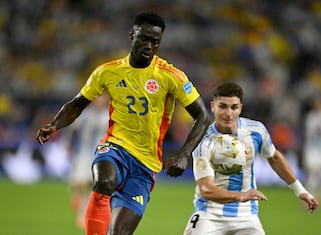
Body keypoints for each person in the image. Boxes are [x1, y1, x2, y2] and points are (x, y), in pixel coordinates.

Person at [36, 11, 210, 235]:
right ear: (132, 35)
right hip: (115, 147)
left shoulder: (171, 76)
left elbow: (202, 116)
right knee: (104, 182)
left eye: (155, 42)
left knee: (119, 233)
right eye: (143, 39)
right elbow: (77, 104)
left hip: (145, 166)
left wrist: (185, 154)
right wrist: (55, 124)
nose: (148, 46)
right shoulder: (107, 72)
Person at [183, 82, 319, 235]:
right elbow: (206, 189)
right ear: (213, 106)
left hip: (246, 216)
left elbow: (273, 157)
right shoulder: (202, 139)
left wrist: (301, 191)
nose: (228, 113)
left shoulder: (256, 131)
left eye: (234, 107)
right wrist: (241, 196)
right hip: (209, 214)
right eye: (223, 106)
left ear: (240, 108)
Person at [66, 94, 109, 229]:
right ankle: (76, 194)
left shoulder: (108, 116)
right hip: (83, 154)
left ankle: (83, 214)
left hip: (100, 155)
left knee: (92, 187)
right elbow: (72, 131)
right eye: (98, 99)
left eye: (102, 99)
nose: (100, 101)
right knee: (80, 183)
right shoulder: (84, 115)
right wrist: (69, 147)